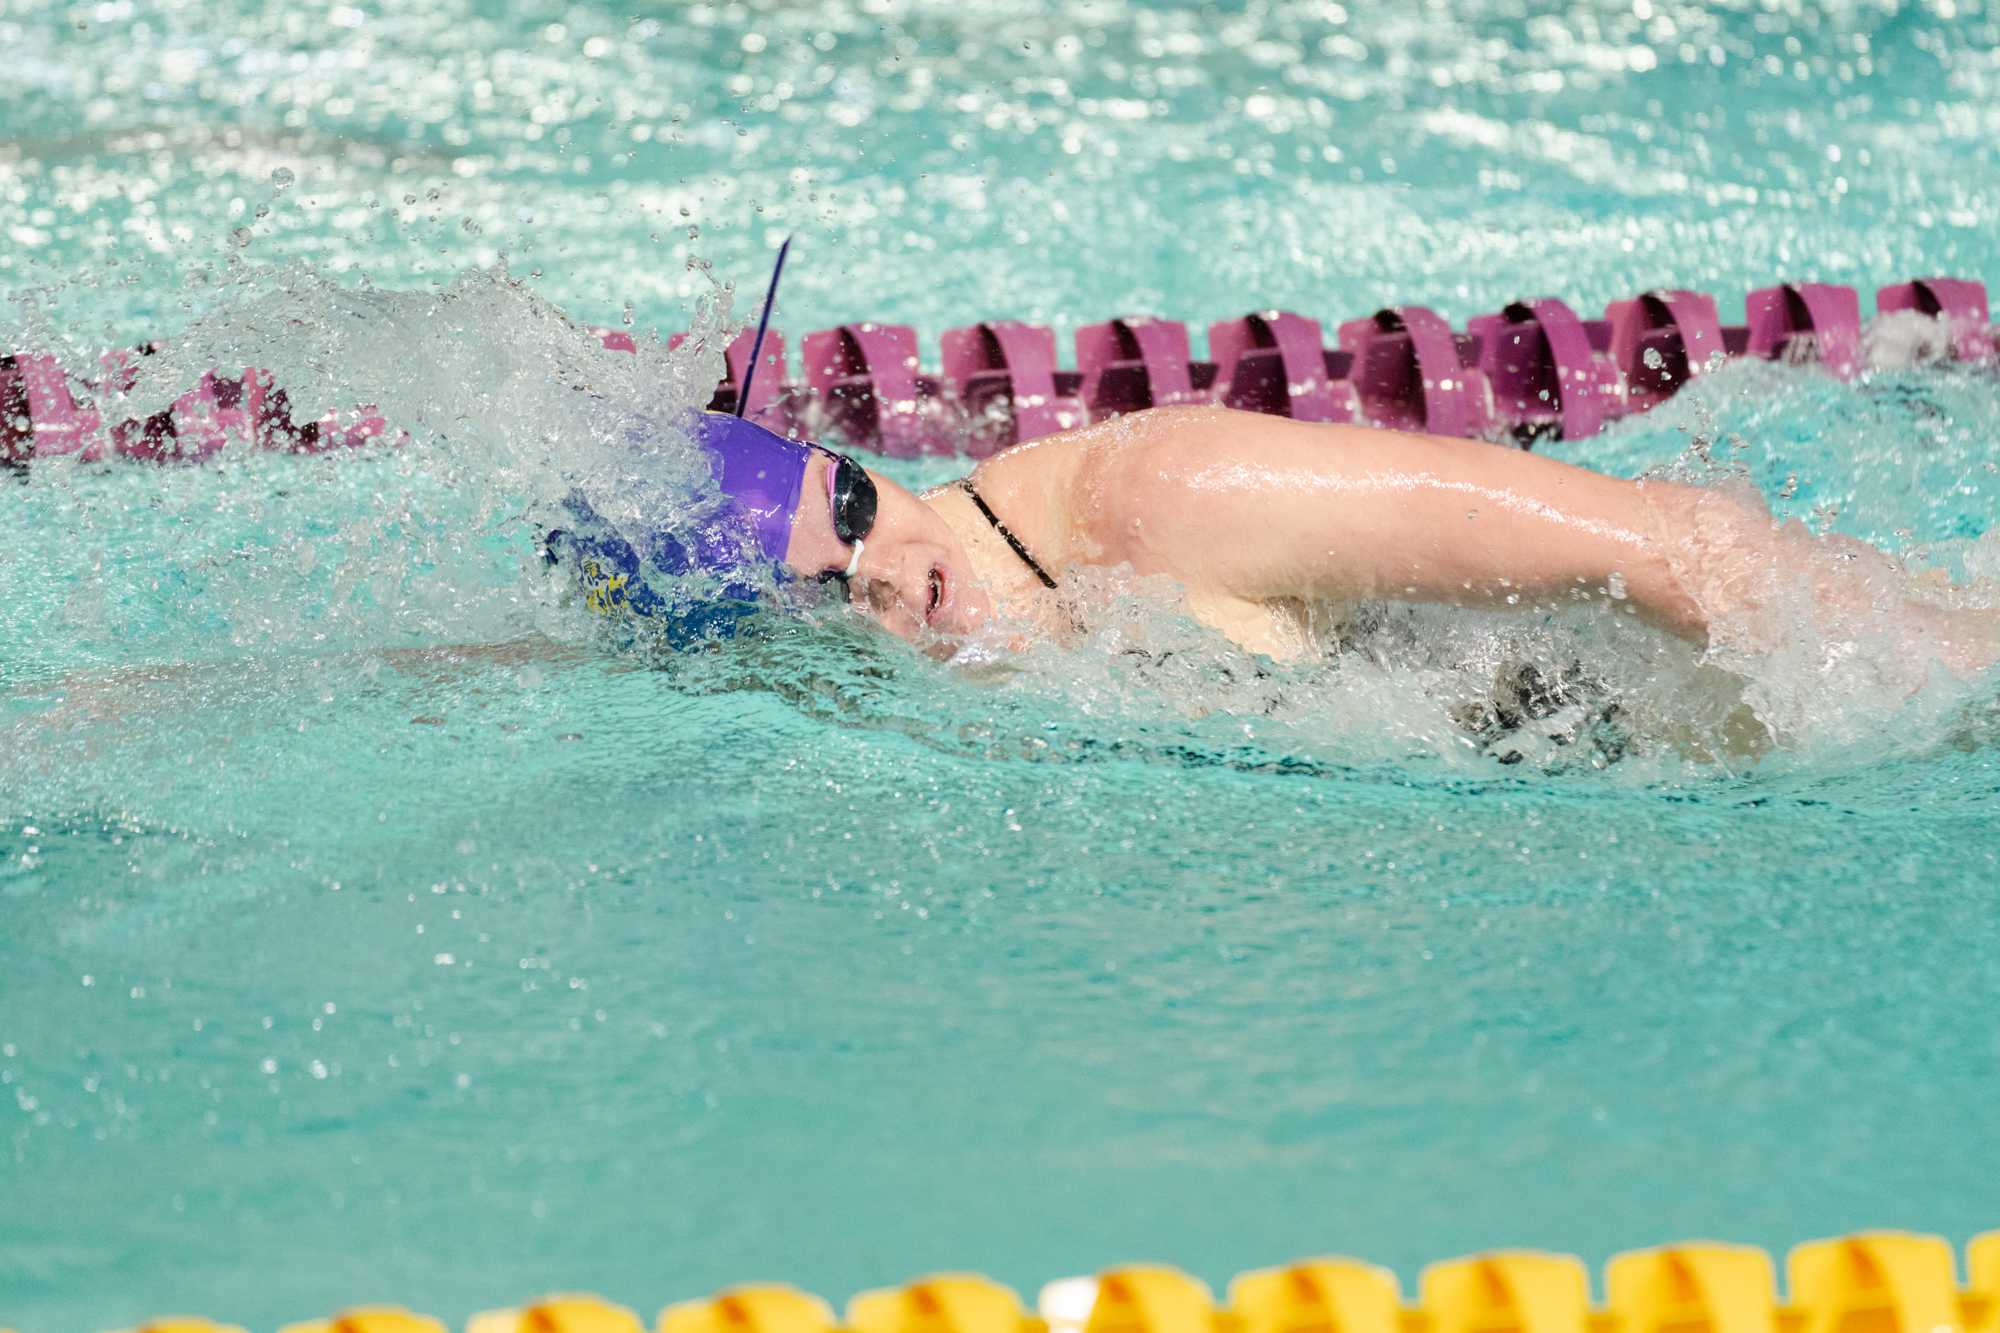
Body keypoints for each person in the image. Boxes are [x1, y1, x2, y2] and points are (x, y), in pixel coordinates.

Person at [551, 403, 2000, 680]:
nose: (883, 574)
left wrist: (1947, 676)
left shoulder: (1159, 500)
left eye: (852, 508)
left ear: (853, 457)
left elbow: (1665, 541)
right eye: (824, 601)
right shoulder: (1015, 653)